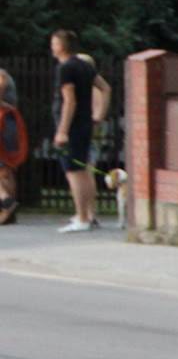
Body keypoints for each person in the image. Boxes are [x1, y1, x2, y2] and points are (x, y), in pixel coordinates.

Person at [48, 31, 108, 232]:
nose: (52, 47)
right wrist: (99, 114)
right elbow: (105, 87)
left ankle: (81, 217)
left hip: (72, 127)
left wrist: (62, 131)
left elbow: (69, 100)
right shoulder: (85, 66)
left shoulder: (65, 68)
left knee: (73, 172)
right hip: (85, 124)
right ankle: (88, 216)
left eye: (54, 43)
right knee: (83, 171)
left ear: (62, 46)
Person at [0, 66, 20, 224]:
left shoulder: (1, 75)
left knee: (4, 168)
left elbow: (2, 81)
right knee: (7, 169)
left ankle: (6, 202)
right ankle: (9, 211)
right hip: (9, 122)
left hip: (3, 122)